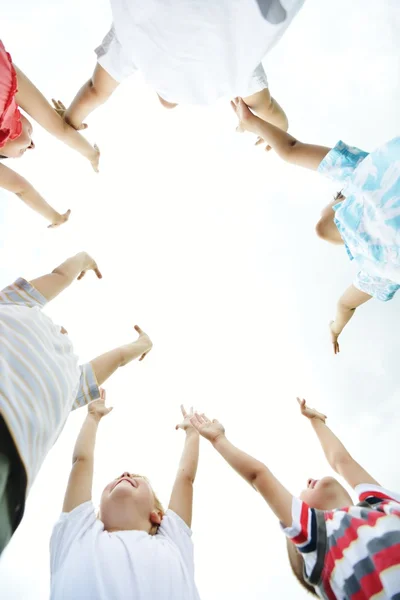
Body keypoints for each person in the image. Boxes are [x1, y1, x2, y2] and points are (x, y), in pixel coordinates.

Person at [0, 251, 152, 555]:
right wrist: (83, 260)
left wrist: (142, 345)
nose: (63, 331)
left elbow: (119, 358)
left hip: (13, 472)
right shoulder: (15, 304)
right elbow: (60, 276)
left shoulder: (75, 380)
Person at [231, 96, 400, 354]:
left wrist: (252, 122)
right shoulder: (375, 269)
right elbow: (291, 148)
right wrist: (334, 329)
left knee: (322, 228)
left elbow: (291, 149)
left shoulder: (359, 176)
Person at [190, 399, 400, 599]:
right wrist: (218, 440)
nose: (308, 481)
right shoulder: (320, 539)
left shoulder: (381, 503)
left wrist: (315, 420)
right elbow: (259, 476)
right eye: (299, 498)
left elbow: (342, 460)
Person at [56, 0, 306, 135]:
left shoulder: (234, 70)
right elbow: (94, 91)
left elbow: (268, 109)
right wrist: (72, 119)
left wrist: (273, 131)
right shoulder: (133, 40)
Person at [49, 398, 201, 600]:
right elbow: (81, 461)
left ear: (157, 515)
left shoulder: (173, 540)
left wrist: (192, 432)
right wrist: (93, 416)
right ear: (98, 516)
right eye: (118, 478)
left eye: (136, 478)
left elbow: (185, 478)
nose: (125, 473)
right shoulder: (79, 532)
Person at [0, 40, 100, 228]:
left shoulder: (12, 83)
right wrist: (54, 217)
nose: (32, 145)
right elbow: (60, 129)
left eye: (22, 152)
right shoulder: (10, 78)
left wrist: (92, 155)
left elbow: (21, 188)